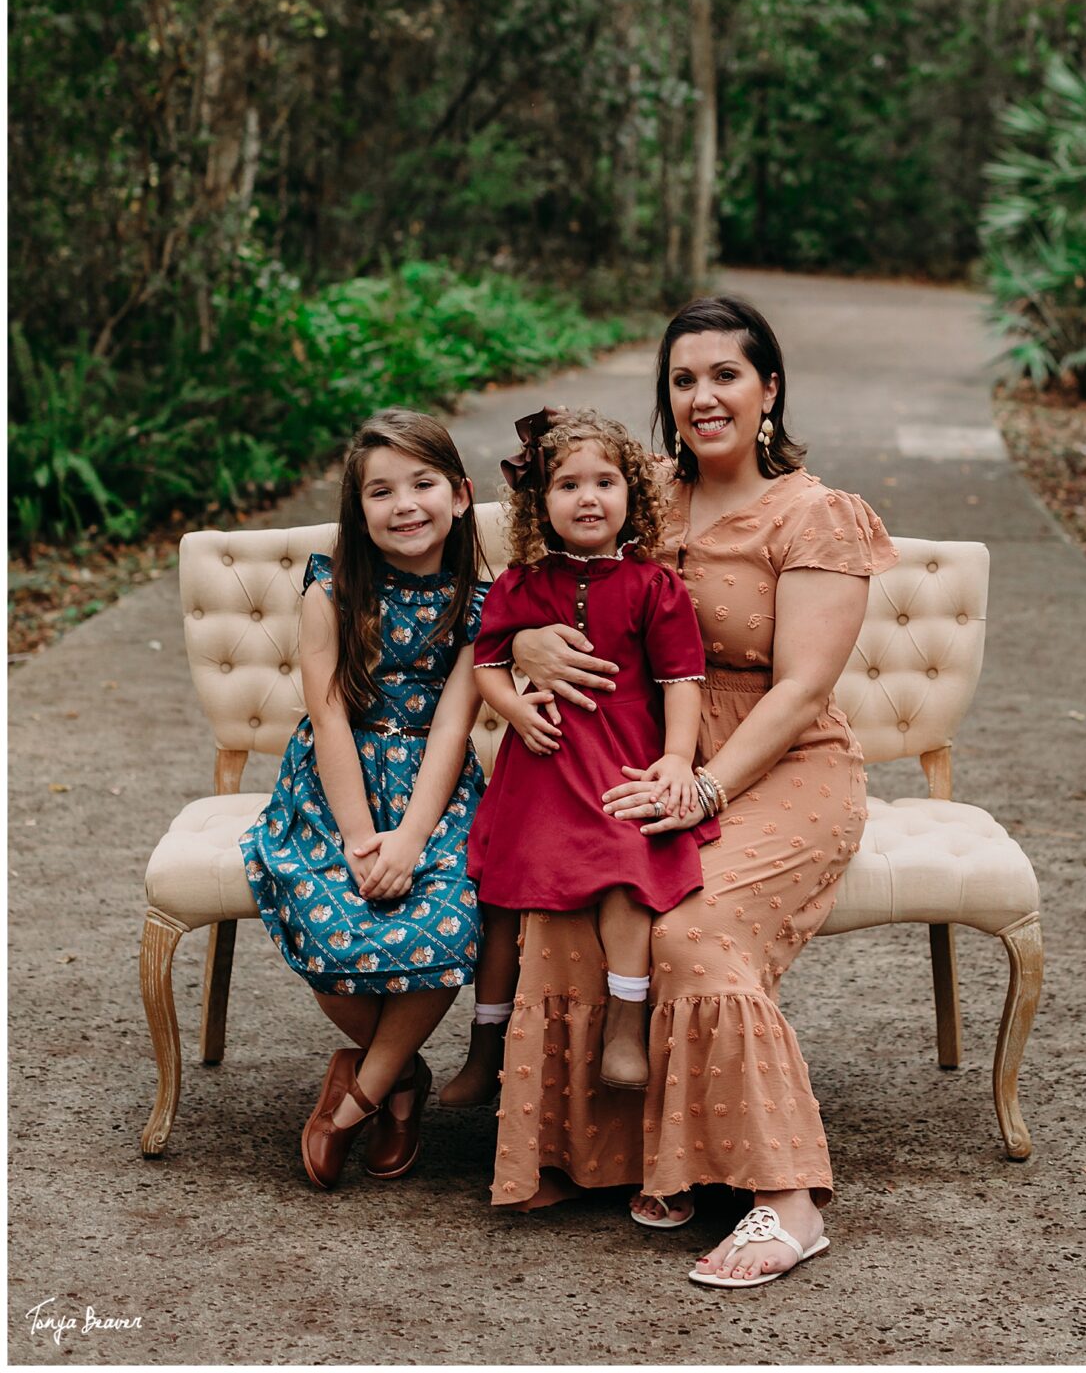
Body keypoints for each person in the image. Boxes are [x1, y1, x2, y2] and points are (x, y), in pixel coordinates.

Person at [490, 296, 897, 1287]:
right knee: (579, 891)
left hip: (777, 761)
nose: (703, 395)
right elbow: (529, 568)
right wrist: (527, 642)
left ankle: (787, 1200)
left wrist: (707, 784)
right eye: (683, 378)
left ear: (769, 387)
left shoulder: (816, 513)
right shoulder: (641, 492)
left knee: (688, 930)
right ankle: (624, 1154)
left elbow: (803, 687)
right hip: (630, 750)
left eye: (725, 374)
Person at [240, 408, 488, 1190]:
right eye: (382, 491)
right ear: (359, 511)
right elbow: (330, 712)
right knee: (326, 917)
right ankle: (402, 1077)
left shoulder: (481, 605)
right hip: (331, 785)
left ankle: (357, 1097)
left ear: (459, 496)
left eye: (423, 483)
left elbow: (454, 726)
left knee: (454, 917)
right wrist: (357, 837)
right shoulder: (332, 591)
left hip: (433, 791)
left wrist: (412, 838)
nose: (405, 504)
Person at [454, 407, 716, 1095]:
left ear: (632, 495)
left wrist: (678, 760)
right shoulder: (521, 583)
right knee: (500, 885)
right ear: (540, 504)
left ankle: (624, 1028)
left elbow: (680, 679)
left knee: (629, 861)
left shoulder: (653, 586)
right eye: (568, 485)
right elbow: (486, 666)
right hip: (540, 760)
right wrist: (514, 708)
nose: (589, 497)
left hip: (623, 754)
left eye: (605, 482)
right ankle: (486, 1041)